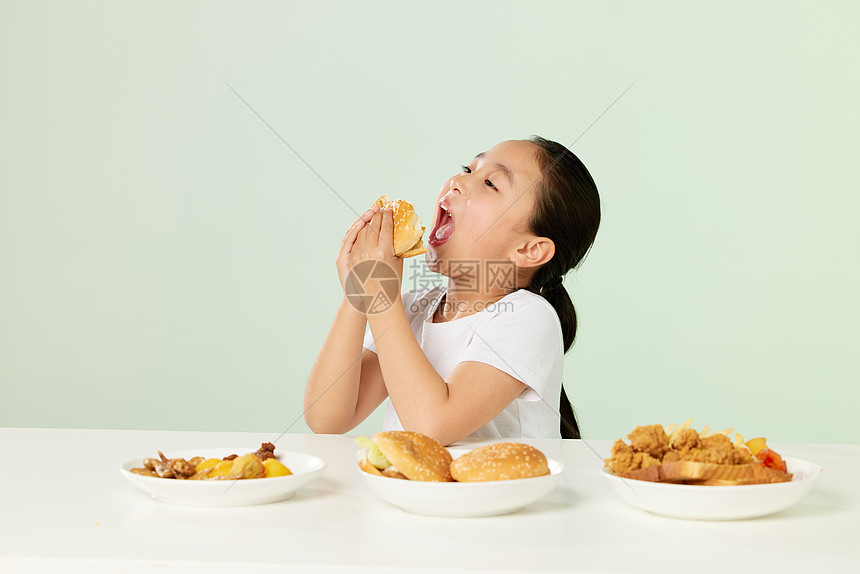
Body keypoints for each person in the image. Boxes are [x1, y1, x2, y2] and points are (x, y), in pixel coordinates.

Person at [303, 137, 601, 445]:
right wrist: (359, 293)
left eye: (490, 183)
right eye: (468, 169)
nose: (457, 181)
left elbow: (432, 426)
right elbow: (326, 418)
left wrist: (382, 301)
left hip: (503, 494)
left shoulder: (528, 317)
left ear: (529, 250)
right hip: (417, 493)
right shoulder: (412, 310)